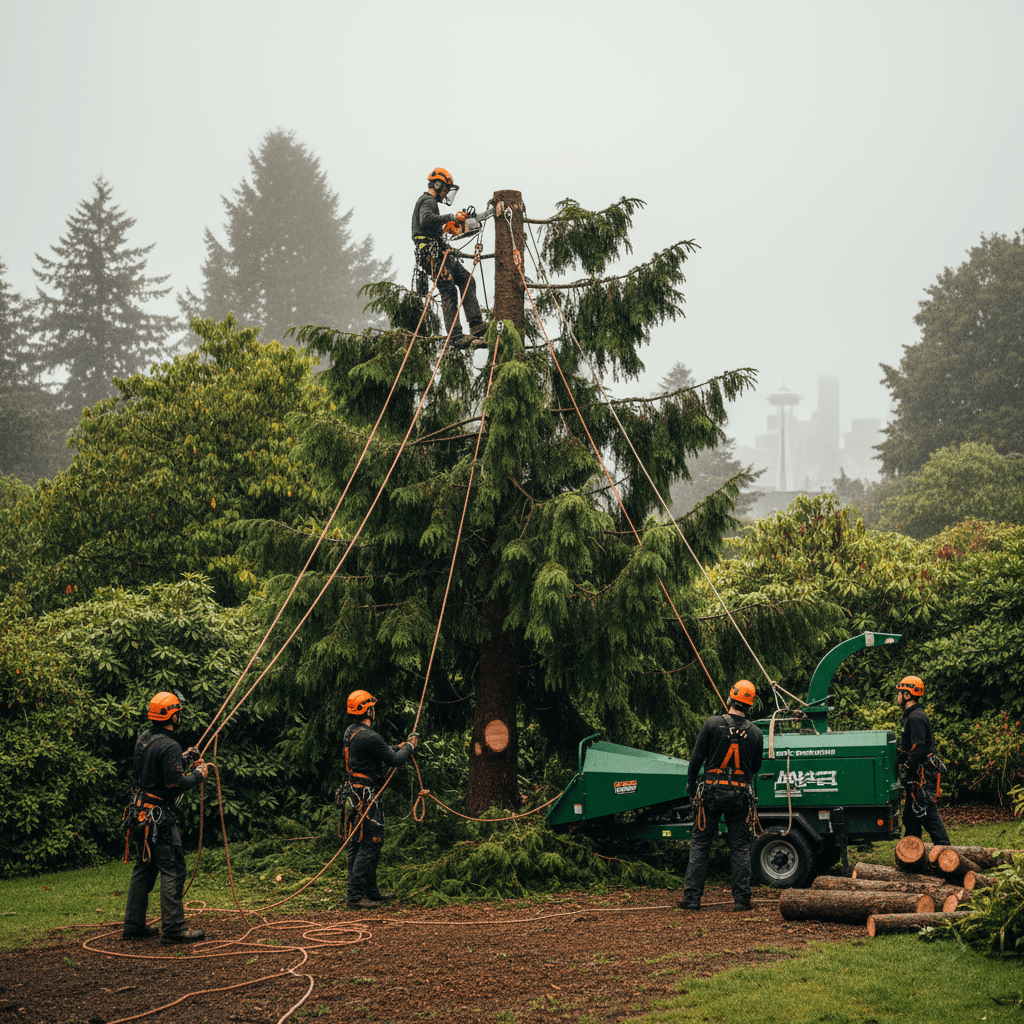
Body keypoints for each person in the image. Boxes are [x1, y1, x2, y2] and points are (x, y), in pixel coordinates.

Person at [121, 690, 209, 943]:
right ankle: (174, 930)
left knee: (144, 868)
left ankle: (134, 925)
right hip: (158, 819)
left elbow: (154, 770)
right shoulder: (169, 744)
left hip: (139, 815)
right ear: (173, 716)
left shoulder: (144, 739)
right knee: (173, 869)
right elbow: (174, 784)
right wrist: (199, 774)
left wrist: (182, 758)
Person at [680, 680, 764, 912]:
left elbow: (696, 759)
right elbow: (754, 768)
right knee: (739, 847)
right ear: (750, 705)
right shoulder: (756, 733)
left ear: (730, 699)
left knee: (700, 844)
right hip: (739, 796)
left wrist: (690, 784)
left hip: (711, 793)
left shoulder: (712, 724)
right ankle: (742, 901)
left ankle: (692, 899)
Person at [343, 689, 418, 908]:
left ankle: (370, 892)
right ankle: (355, 896)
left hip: (356, 795)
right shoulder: (370, 736)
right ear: (369, 710)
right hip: (366, 798)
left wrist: (401, 746)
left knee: (359, 845)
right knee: (370, 844)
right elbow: (394, 760)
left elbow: (383, 752)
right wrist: (411, 746)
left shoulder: (352, 732)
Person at [411, 166, 486, 343]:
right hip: (431, 254)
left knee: (466, 279)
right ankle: (456, 335)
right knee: (448, 289)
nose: (445, 195)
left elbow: (431, 226)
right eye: (444, 190)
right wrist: (450, 217)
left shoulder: (430, 203)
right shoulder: (427, 201)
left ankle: (477, 326)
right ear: (437, 185)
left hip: (439, 251)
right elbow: (426, 220)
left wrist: (450, 227)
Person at [896, 675, 950, 845]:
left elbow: (919, 748)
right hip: (917, 775)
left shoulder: (916, 717)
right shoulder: (910, 716)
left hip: (923, 776)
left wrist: (905, 768)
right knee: (910, 818)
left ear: (907, 695)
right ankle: (911, 858)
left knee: (927, 814)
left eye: (900, 692)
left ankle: (946, 853)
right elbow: (908, 748)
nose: (897, 696)